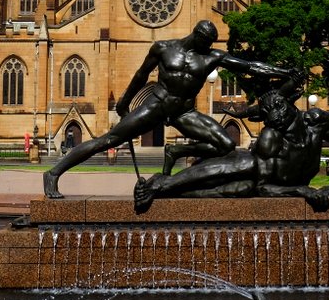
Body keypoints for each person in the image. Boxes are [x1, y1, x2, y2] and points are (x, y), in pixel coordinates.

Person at [42, 19, 295, 199]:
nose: (209, 46)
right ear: (197, 35)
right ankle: (53, 173)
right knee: (108, 140)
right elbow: (141, 75)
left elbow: (249, 66)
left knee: (226, 145)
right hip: (157, 104)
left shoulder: (212, 57)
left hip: (184, 112)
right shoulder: (164, 48)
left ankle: (177, 153)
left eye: (211, 43)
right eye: (206, 41)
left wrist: (283, 72)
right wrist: (124, 101)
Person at [132, 76, 329, 213]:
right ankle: (161, 186)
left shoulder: (315, 121)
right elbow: (264, 188)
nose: (276, 115)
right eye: (269, 113)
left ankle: (162, 185)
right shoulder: (272, 139)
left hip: (255, 184)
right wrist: (301, 190)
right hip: (251, 170)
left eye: (279, 106)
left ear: (290, 103)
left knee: (233, 190)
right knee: (233, 168)